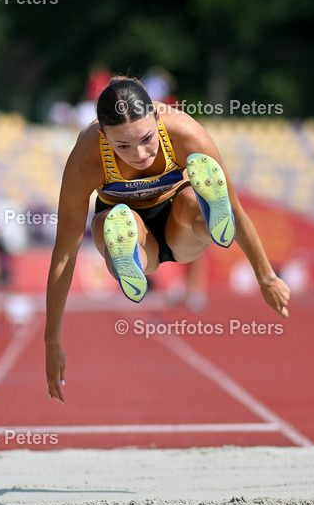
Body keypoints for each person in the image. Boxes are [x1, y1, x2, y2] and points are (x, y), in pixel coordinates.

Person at [44, 77, 291, 402]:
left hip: (179, 224)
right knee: (112, 222)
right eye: (123, 146)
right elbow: (65, 252)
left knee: (192, 203)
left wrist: (266, 276)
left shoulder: (186, 133)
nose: (140, 154)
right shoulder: (86, 158)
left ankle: (210, 218)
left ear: (159, 118)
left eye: (147, 139)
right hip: (135, 233)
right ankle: (127, 257)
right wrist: (51, 342)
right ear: (103, 135)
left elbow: (237, 209)